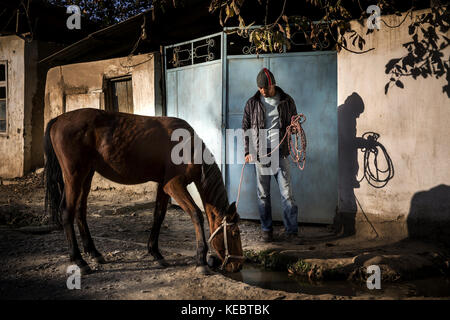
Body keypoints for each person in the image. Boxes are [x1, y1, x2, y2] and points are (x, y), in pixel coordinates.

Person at [242, 68, 299, 242]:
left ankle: (291, 232)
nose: (263, 91)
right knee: (263, 195)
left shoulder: (287, 101)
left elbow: (294, 123)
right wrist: (247, 150)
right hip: (261, 155)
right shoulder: (252, 103)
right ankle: (267, 230)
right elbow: (246, 128)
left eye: (265, 88)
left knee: (287, 194)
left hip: (281, 154)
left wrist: (295, 128)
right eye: (260, 88)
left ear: (272, 84)